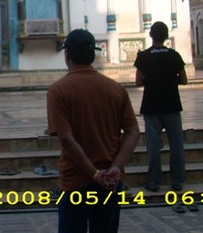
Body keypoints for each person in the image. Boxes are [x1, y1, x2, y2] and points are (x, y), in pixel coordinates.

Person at [47, 29, 140, 233]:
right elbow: (133, 131)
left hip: (76, 182)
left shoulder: (59, 90)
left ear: (67, 55)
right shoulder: (115, 89)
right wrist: (116, 167)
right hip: (111, 181)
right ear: (93, 55)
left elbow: (66, 139)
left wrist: (94, 174)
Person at [134, 21, 187, 192]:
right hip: (172, 104)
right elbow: (184, 79)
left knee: (154, 147)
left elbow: (138, 81)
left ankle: (154, 182)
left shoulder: (144, 56)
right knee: (176, 146)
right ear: (166, 36)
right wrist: (171, 80)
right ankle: (177, 182)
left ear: (151, 35)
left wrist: (151, 79)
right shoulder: (174, 55)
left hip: (151, 106)